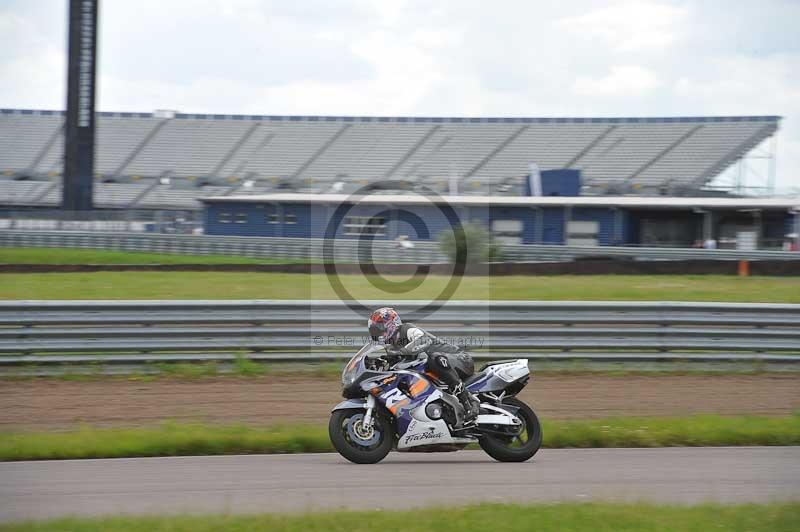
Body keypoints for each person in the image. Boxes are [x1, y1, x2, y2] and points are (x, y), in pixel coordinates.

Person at [367, 307, 479, 425]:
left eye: (379, 329)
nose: (378, 333)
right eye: (375, 331)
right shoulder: (391, 346)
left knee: (435, 358)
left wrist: (401, 352)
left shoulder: (407, 329)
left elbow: (424, 340)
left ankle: (469, 402)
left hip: (460, 359)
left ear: (390, 324)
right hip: (442, 370)